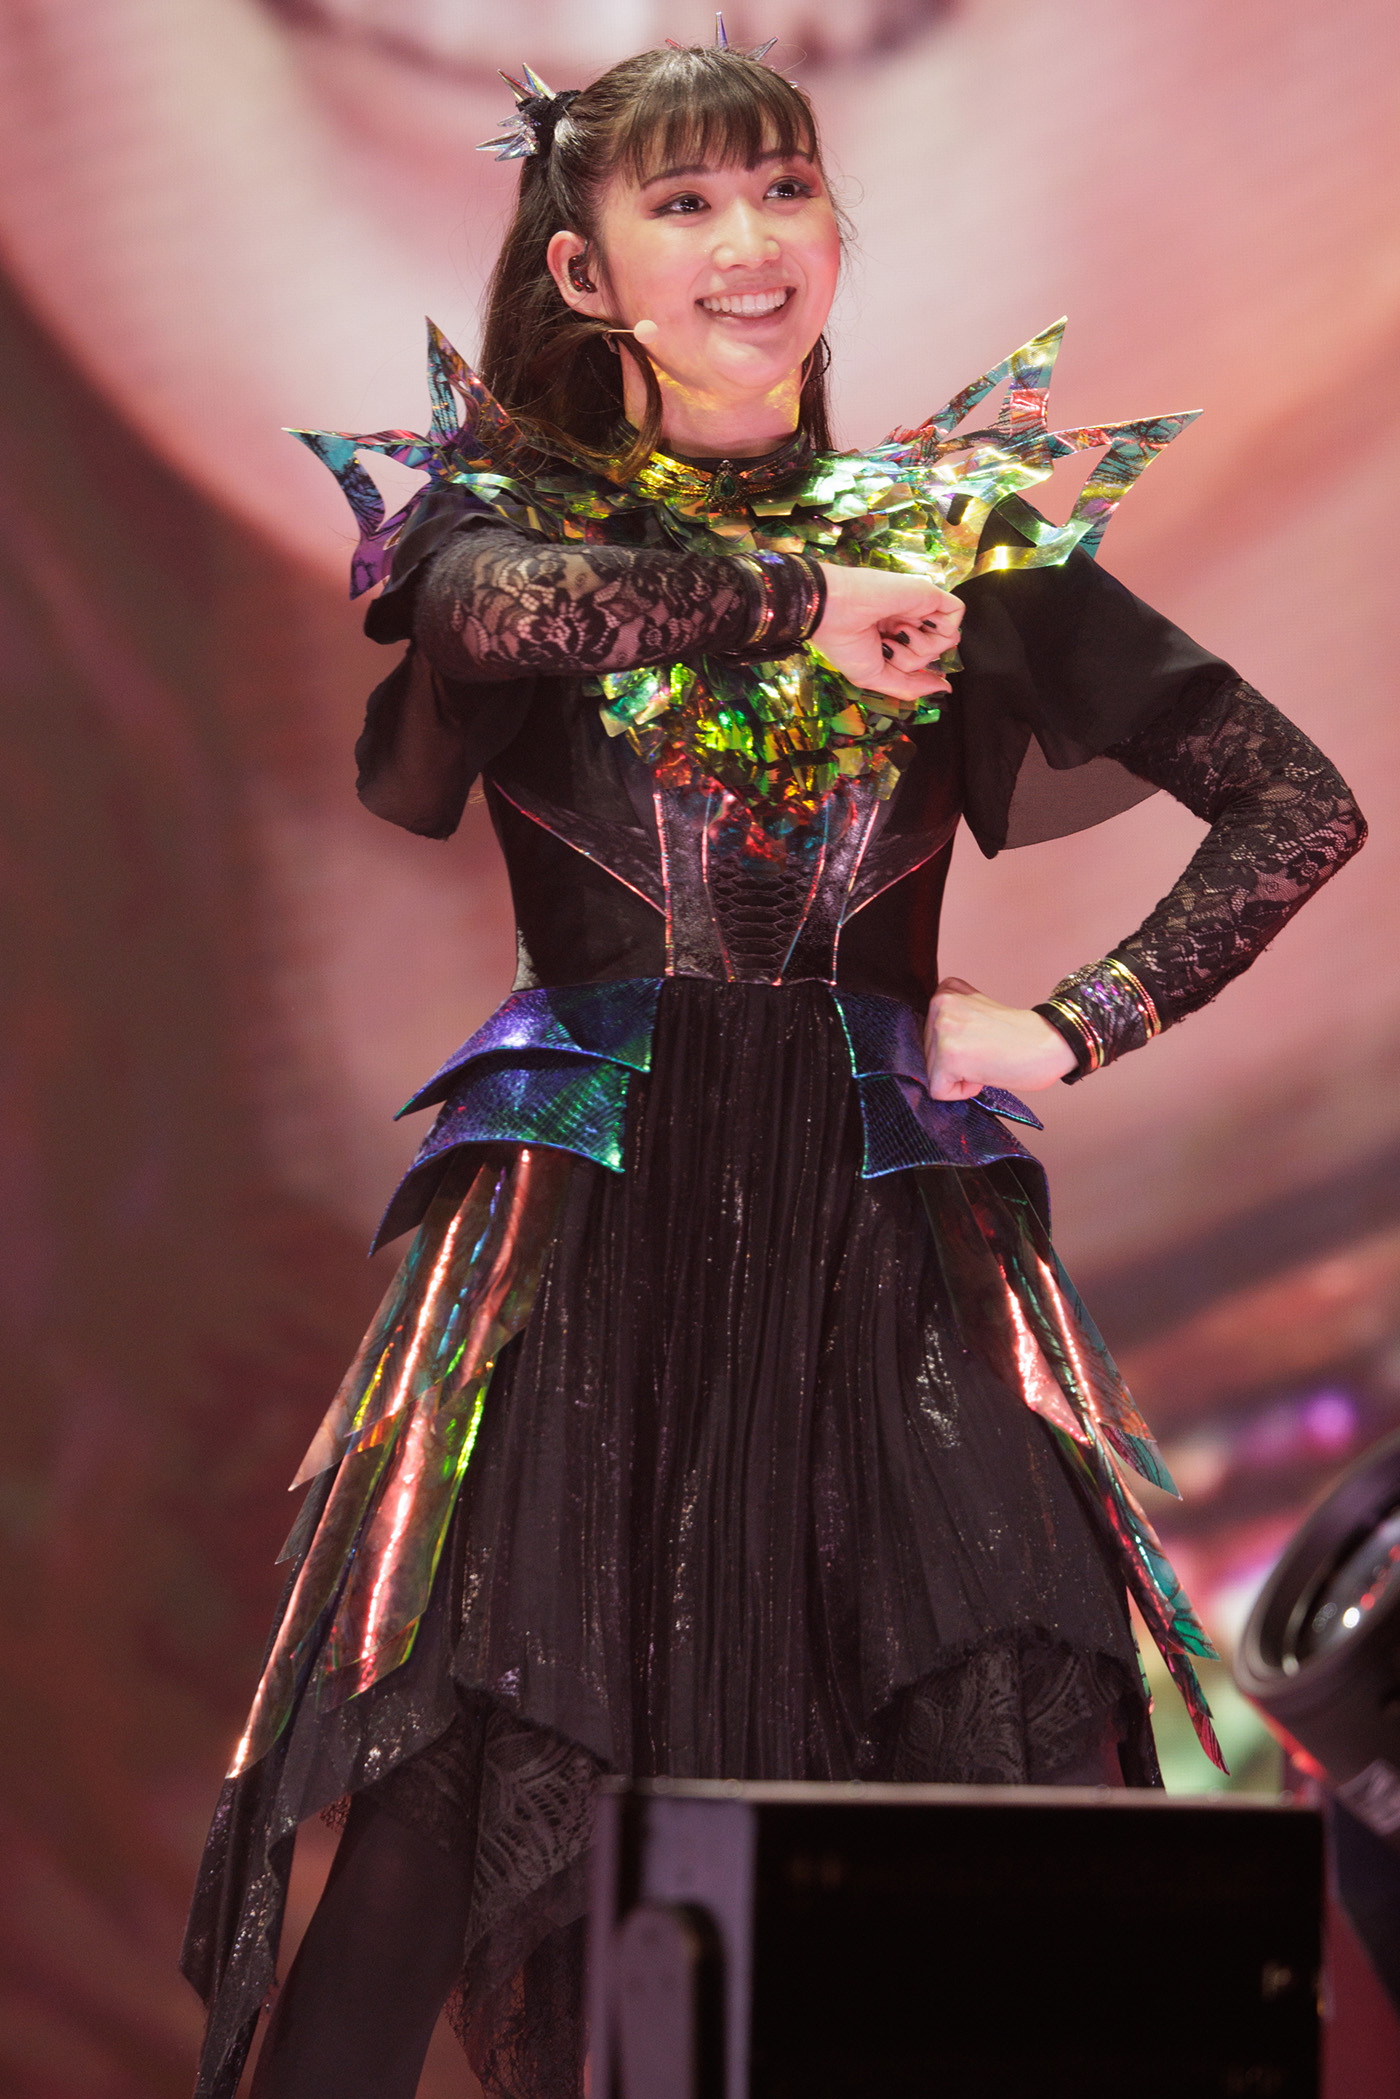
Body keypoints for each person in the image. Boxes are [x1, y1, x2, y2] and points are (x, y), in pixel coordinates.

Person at [182, 36, 1365, 2099]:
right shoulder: (504, 527)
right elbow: (498, 617)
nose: (751, 241)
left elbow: (1295, 801)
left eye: (784, 188)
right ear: (583, 278)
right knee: (452, 1788)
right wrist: (799, 600)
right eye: (686, 203)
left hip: (882, 1243)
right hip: (581, 1232)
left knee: (999, 1769)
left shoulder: (956, 540)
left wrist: (1073, 1020)